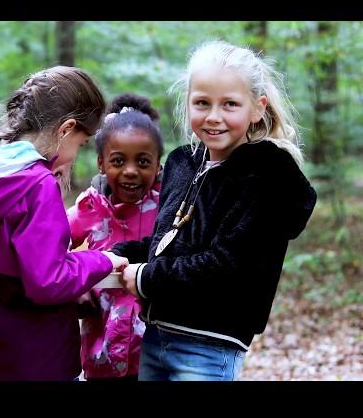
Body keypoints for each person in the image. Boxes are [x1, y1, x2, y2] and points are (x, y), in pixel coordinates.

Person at [114, 40, 317, 381]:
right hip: (155, 336)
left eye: (230, 105)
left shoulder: (269, 174)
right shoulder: (183, 162)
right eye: (202, 103)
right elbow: (171, 242)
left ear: (257, 108)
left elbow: (228, 265)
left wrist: (146, 277)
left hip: (208, 347)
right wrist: (117, 255)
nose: (213, 117)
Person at [0, 66, 128, 381]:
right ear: (66, 129)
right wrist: (100, 260)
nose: (75, 154)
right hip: (39, 360)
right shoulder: (37, 185)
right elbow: (48, 281)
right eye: (81, 143)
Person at [66, 93, 163, 381]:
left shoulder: (169, 207)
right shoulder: (90, 206)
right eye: (118, 161)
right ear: (101, 163)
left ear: (158, 165)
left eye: (143, 162)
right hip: (101, 352)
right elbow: (49, 247)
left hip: (155, 353)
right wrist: (76, 284)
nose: (130, 171)